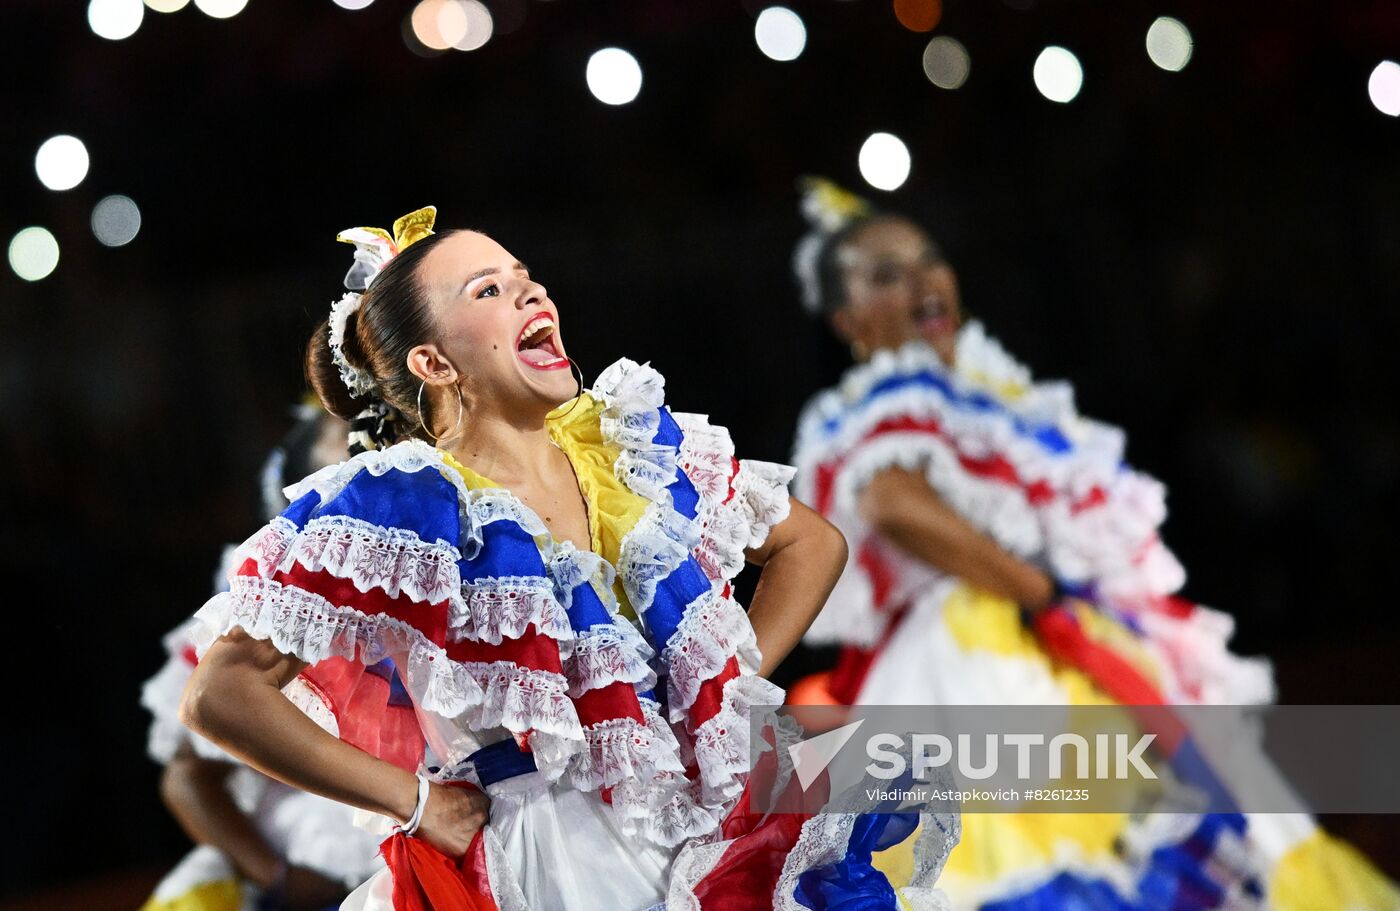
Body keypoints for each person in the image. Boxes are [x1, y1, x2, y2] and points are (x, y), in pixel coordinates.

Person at [178, 207, 957, 911]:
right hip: (557, 861)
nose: (529, 292)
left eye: (525, 277)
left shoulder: (625, 448)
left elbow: (809, 542)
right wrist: (414, 801)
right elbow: (221, 691)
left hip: (702, 807)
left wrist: (722, 689)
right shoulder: (404, 502)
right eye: (487, 290)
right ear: (434, 364)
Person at [787, 178, 1398, 910]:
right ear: (848, 319)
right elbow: (892, 501)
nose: (922, 280)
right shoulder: (874, 403)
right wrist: (1033, 586)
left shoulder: (978, 394)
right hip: (971, 660)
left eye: (929, 259)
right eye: (887, 274)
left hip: (1046, 638)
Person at [140, 408, 384, 911]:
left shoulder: (430, 569)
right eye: (343, 432)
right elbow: (187, 778)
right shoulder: (268, 600)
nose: (369, 441)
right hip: (334, 874)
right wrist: (281, 882)